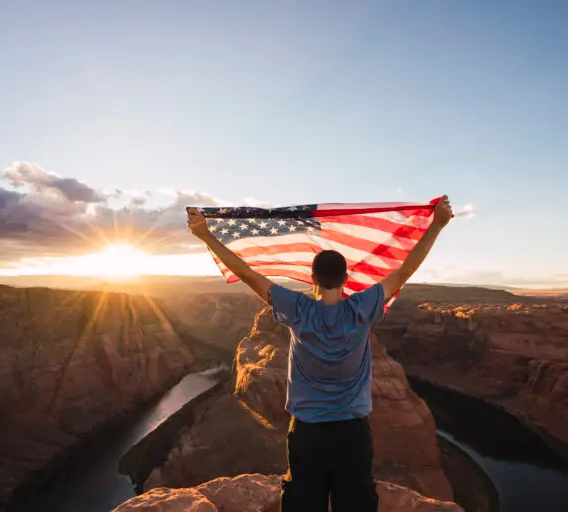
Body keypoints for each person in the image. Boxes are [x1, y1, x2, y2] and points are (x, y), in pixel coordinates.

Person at [187, 196, 453, 512]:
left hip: (307, 433)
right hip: (352, 434)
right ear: (346, 279)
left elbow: (248, 274)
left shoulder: (297, 310)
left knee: (303, 503)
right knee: (355, 503)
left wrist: (206, 235)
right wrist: (435, 226)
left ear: (312, 279)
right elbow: (406, 268)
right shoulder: (362, 307)